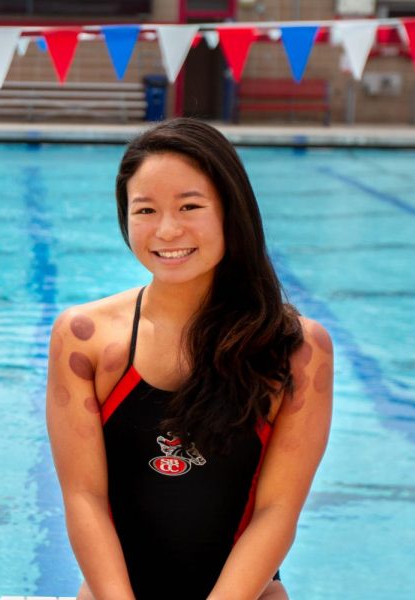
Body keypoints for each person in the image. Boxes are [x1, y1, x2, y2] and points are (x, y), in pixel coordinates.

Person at [45, 118, 333, 600]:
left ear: (230, 213)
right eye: (146, 210)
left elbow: (276, 512)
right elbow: (84, 498)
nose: (167, 230)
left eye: (190, 206)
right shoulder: (84, 339)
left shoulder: (295, 349)